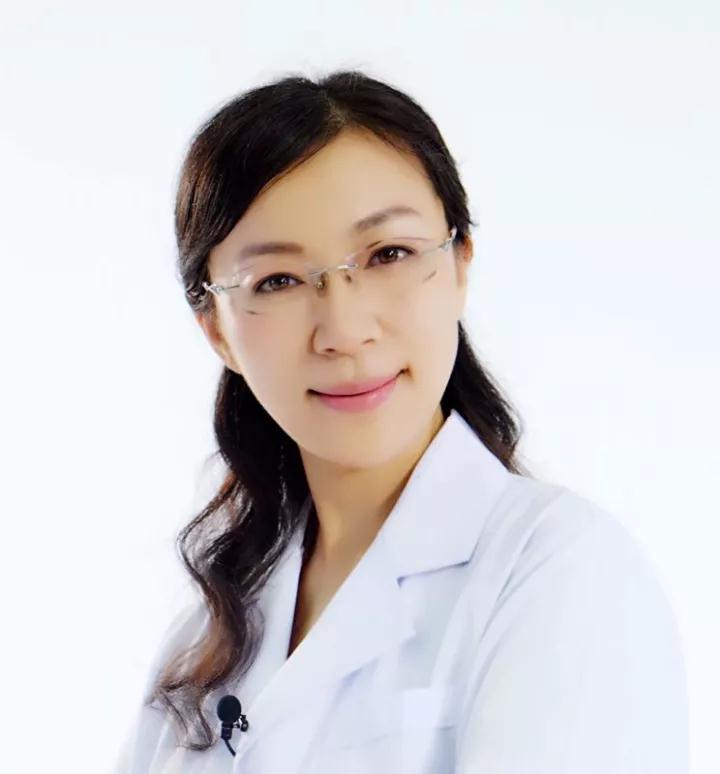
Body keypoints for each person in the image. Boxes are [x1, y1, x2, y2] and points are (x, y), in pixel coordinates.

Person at [112, 69, 690, 773]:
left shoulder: (561, 573)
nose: (344, 330)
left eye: (389, 255)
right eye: (278, 280)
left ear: (460, 263)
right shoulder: (199, 650)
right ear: (217, 331)